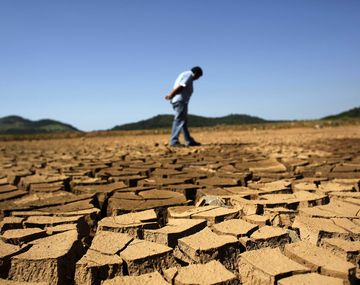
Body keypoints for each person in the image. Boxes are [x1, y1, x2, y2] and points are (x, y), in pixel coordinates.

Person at [165, 66, 203, 147]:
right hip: (180, 101)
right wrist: (171, 94)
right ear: (196, 73)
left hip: (180, 101)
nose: (198, 79)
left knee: (183, 122)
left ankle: (189, 140)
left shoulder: (186, 75)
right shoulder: (189, 75)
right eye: (198, 76)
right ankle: (174, 141)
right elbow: (181, 86)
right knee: (179, 120)